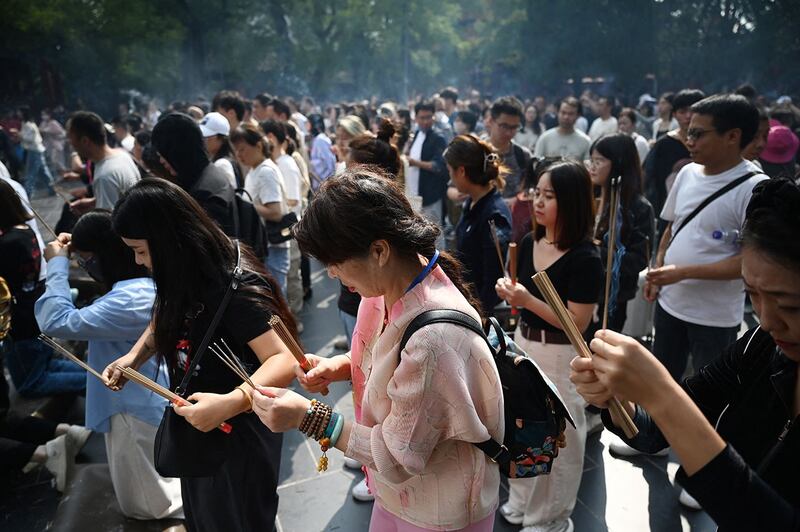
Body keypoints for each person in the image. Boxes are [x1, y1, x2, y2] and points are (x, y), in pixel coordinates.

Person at [252, 169, 503, 531]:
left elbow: (398, 456)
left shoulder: (432, 340)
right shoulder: (384, 289)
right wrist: (341, 365)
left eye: (334, 263)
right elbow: (381, 357)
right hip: (398, 494)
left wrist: (310, 417)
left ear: (380, 250)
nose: (333, 276)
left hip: (439, 507)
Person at [571, 177, 800, 531]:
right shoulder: (759, 348)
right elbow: (657, 432)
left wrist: (662, 393)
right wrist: (622, 400)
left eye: (790, 305)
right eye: (752, 294)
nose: (768, 320)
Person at [104, 178, 297, 532]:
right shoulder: (184, 271)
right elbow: (168, 313)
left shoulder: (232, 286)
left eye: (141, 250)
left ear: (167, 240)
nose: (138, 261)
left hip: (239, 435)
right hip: (200, 430)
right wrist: (134, 357)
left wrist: (229, 402)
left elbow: (283, 360)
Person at [35, 210, 183, 520]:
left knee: (150, 504)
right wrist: (78, 246)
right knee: (152, 488)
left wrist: (58, 265)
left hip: (132, 407)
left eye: (87, 260)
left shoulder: (127, 299)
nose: (84, 267)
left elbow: (55, 321)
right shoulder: (140, 285)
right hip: (139, 400)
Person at [494, 160, 602, 532]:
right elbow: (522, 299)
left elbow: (578, 324)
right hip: (525, 343)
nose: (538, 202)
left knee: (562, 439)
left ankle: (552, 517)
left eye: (549, 196)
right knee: (525, 428)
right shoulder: (529, 241)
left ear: (571, 202)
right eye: (537, 193)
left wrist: (526, 300)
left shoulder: (586, 256)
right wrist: (514, 296)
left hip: (562, 355)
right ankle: (523, 502)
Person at [0, 180, 85, 398]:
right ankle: (94, 379)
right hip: (35, 311)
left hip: (20, 323)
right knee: (45, 367)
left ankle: (95, 385)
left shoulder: (7, 243)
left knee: (31, 383)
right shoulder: (24, 231)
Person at [586, 134, 655, 333]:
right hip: (579, 290)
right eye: (591, 160)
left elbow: (638, 260)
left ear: (618, 164)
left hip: (612, 298)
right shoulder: (588, 196)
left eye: (599, 161)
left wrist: (594, 250)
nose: (592, 166)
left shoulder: (638, 207)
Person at [446, 134, 511, 314]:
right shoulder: (472, 202)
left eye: (450, 172)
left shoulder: (493, 214)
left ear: (461, 171)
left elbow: (492, 277)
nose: (450, 178)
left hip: (481, 311)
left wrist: (480, 316)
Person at [150, 112, 237, 236]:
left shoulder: (204, 195)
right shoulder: (207, 175)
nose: (161, 160)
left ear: (178, 151)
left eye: (164, 153)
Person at [231, 123, 291, 294]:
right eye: (236, 150)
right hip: (265, 245)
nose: (238, 155)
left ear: (258, 145)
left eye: (242, 149)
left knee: (277, 299)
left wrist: (245, 206)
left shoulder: (265, 172)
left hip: (272, 247)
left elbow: (275, 212)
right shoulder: (255, 170)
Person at [643, 89, 705, 234]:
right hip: (670, 213)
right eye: (683, 111)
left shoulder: (711, 143)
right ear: (675, 114)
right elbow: (648, 177)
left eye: (693, 111)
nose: (688, 116)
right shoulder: (663, 144)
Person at [66, 111, 140, 214]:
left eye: (70, 138)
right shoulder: (121, 154)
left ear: (85, 141)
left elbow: (107, 222)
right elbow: (122, 197)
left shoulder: (105, 176)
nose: (70, 144)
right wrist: (93, 203)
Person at [407, 101, 448, 229]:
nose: (425, 121)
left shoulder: (438, 138)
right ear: (416, 118)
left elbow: (438, 166)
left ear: (434, 117)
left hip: (431, 195)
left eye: (429, 117)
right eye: (422, 118)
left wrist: (414, 162)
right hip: (415, 194)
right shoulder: (417, 134)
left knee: (435, 232)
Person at [484, 96, 531, 201]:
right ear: (490, 121)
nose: (509, 132)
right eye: (504, 126)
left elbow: (529, 189)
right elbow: (452, 189)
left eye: (514, 127)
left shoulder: (523, 155)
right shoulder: (473, 152)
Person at [534, 97, 592, 162]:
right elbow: (536, 163)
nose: (566, 117)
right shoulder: (545, 138)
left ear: (578, 116)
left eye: (570, 114)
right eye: (563, 113)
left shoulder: (585, 141)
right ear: (558, 113)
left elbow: (588, 166)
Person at [19, 106, 55, 197]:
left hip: (34, 151)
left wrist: (20, 135)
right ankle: (52, 188)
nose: (18, 114)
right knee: (43, 172)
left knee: (31, 172)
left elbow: (31, 139)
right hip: (35, 150)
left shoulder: (30, 125)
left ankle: (28, 193)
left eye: (19, 112)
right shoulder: (25, 123)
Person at [199, 111, 239, 188]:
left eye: (206, 137)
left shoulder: (222, 165)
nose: (202, 141)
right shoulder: (216, 160)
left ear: (220, 138)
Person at [309, 113, 336, 188]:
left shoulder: (320, 140)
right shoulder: (317, 139)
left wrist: (325, 183)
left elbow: (330, 164)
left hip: (323, 186)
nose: (306, 126)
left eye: (308, 123)